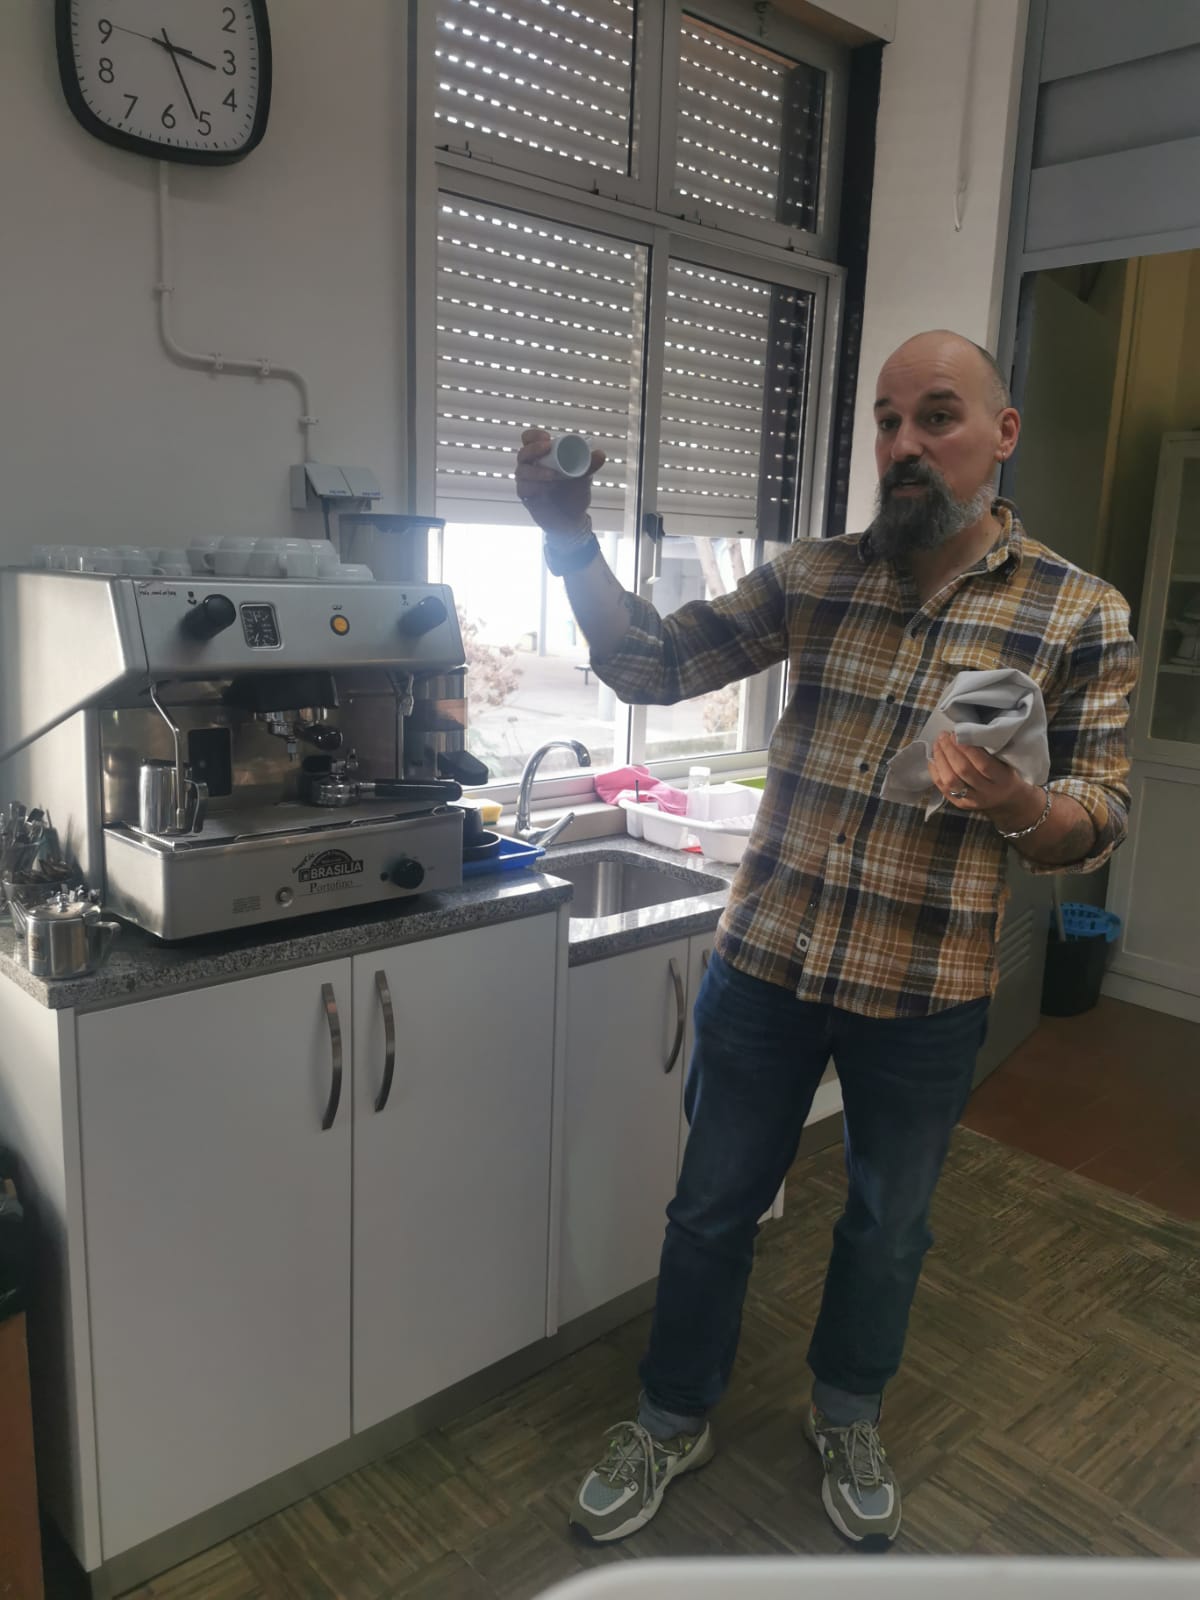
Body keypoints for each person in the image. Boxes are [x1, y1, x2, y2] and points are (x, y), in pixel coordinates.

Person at [514, 330, 1138, 1551]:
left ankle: (847, 1411)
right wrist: (569, 538)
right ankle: (670, 1415)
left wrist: (1022, 805)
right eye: (887, 421)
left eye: (936, 416)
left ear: (1002, 436)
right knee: (710, 1209)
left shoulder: (1079, 611)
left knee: (888, 1226)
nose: (904, 443)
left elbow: (1099, 818)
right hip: (769, 964)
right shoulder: (817, 574)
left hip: (927, 988)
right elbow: (650, 661)